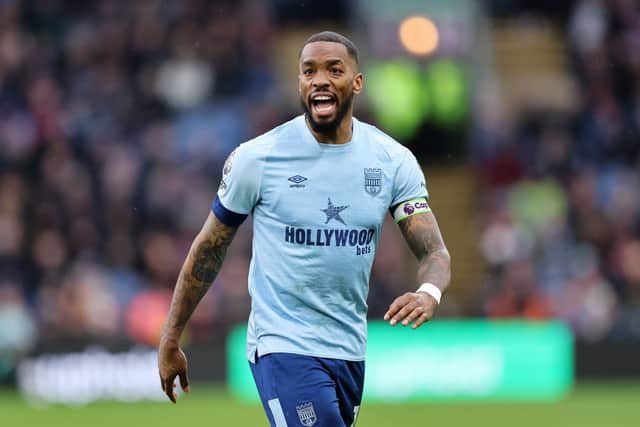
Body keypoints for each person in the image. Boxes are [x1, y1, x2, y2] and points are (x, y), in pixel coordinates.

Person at [158, 31, 451, 426]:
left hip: (349, 348)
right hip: (282, 344)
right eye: (308, 71)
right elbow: (209, 247)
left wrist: (429, 293)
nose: (319, 80)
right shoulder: (258, 158)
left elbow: (433, 251)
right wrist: (171, 336)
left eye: (334, 69)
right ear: (299, 84)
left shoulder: (391, 161)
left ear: (357, 83)